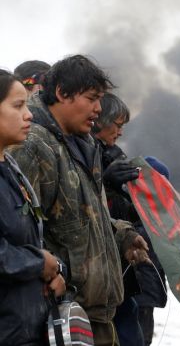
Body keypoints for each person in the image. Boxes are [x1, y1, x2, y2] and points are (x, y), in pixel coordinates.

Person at [8, 55, 149, 346]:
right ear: (61, 93)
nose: (99, 109)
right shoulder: (32, 145)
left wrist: (122, 235)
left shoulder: (84, 143)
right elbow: (23, 233)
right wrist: (50, 272)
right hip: (61, 316)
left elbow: (84, 215)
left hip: (98, 314)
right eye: (92, 98)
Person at [93, 92, 167, 346]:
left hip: (130, 269)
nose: (120, 132)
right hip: (107, 269)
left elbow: (126, 210)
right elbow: (93, 209)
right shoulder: (86, 155)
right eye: (118, 125)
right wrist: (107, 182)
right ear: (99, 120)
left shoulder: (113, 155)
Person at [0, 69, 65, 345]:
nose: (29, 115)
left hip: (28, 328)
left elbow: (31, 237)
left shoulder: (11, 167)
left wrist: (56, 270)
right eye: (18, 106)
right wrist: (39, 263)